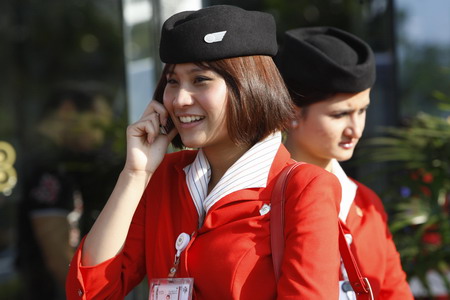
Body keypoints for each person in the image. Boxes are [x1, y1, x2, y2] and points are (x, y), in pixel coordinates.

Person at [66, 5, 342, 300]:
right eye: (173, 81)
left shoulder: (305, 189)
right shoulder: (165, 176)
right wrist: (135, 174)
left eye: (200, 80)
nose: (179, 99)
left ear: (250, 87)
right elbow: (90, 292)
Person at [276, 26, 414, 299]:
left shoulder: (366, 203)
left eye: (362, 110)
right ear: (291, 112)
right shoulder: (256, 200)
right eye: (340, 114)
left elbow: (395, 292)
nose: (356, 129)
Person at [17, 83, 114, 300]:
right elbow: (57, 257)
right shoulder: (47, 165)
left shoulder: (48, 158)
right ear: (68, 110)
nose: (99, 137)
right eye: (95, 124)